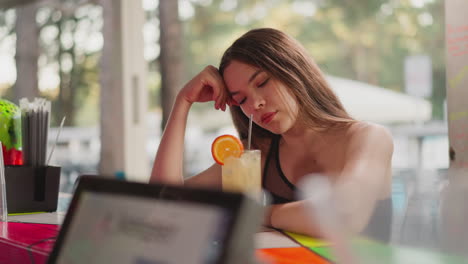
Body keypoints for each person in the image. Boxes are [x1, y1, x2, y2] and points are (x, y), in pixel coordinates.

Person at [150, 28, 393, 240]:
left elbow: (344, 214)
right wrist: (183, 102)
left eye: (262, 82)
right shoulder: (257, 156)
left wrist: (255, 214)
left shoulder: (369, 138)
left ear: (293, 70)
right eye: (241, 99)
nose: (254, 104)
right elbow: (164, 203)